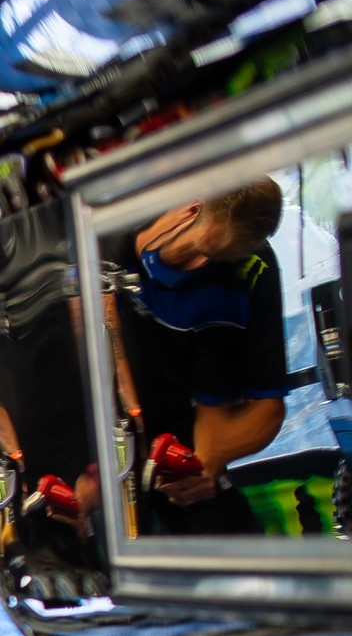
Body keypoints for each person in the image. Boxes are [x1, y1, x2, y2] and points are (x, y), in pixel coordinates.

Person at [108, 179, 289, 536]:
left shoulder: (248, 272)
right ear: (189, 209)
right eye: (204, 250)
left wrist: (209, 463)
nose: (206, 265)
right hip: (100, 445)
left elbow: (261, 406)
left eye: (221, 259)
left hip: (179, 454)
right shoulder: (107, 230)